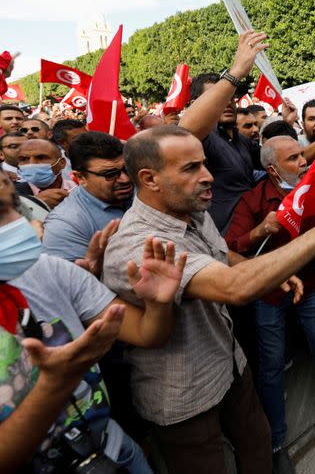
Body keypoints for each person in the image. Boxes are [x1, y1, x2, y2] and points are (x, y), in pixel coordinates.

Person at [101, 125, 315, 474]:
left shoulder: (192, 211)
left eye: (204, 163)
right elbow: (232, 287)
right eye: (191, 168)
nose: (208, 176)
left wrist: (262, 268)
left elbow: (222, 255)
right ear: (149, 179)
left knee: (256, 446)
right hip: (184, 394)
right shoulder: (139, 244)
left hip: (229, 364)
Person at [0, 170, 187, 473]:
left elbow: (148, 334)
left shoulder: (51, 271)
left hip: (109, 447)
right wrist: (56, 383)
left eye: (13, 206)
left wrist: (158, 304)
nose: (20, 224)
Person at [225, 135, 315, 473]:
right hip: (268, 293)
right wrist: (262, 229)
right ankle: (277, 441)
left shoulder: (312, 187)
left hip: (309, 282)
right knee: (272, 364)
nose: (305, 162)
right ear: (273, 170)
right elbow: (229, 245)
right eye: (294, 159)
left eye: (302, 156)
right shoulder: (252, 200)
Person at [178, 30, 265, 233]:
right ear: (194, 105)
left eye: (230, 95)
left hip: (249, 233)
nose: (226, 102)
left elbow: (277, 160)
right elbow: (187, 130)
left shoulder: (240, 140)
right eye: (217, 97)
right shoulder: (203, 140)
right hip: (221, 238)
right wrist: (236, 73)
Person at [42, 132, 133, 262]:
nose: (125, 179)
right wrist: (97, 272)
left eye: (127, 168)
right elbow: (67, 280)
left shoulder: (143, 189)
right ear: (81, 177)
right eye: (110, 174)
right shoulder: (65, 224)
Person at [16, 139, 75, 209]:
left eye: (41, 158)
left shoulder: (78, 189)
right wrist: (36, 204)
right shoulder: (12, 194)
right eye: (24, 159)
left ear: (62, 163)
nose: (31, 163)